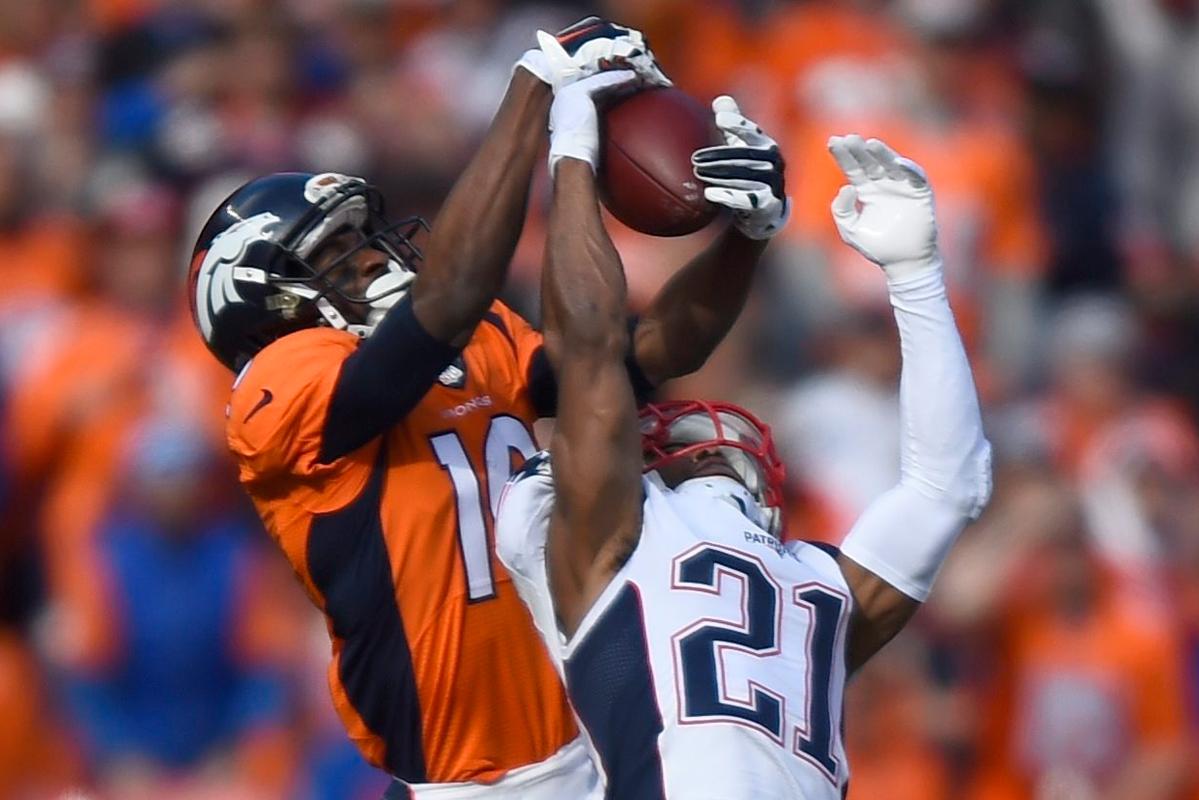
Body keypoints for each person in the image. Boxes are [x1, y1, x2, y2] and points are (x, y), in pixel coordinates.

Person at [186, 17, 790, 799]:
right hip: (469, 780)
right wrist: (535, 92)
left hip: (601, 736)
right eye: (343, 254)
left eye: (370, 240)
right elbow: (450, 300)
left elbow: (649, 353)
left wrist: (747, 236)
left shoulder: (479, 335)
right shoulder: (277, 386)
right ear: (259, 300)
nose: (378, 259)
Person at [495, 115, 992, 798]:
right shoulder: (612, 545)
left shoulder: (819, 593)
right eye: (682, 440)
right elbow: (590, 349)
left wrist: (916, 275)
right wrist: (573, 154)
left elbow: (951, 485)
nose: (708, 438)